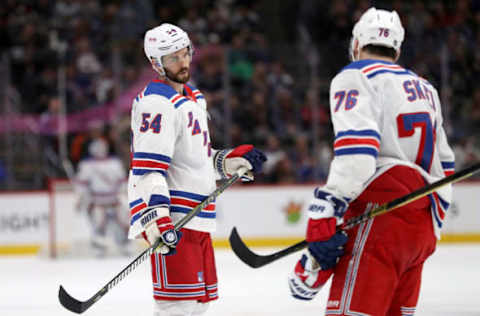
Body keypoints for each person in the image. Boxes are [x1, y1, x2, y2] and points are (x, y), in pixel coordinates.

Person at [288, 7, 455, 315]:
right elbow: (445, 166)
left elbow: (358, 153)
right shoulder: (426, 89)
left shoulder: (356, 75)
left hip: (378, 218)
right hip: (419, 230)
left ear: (356, 44)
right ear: (398, 47)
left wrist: (326, 208)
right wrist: (430, 229)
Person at [128, 23, 266, 316]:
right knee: (176, 307)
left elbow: (199, 158)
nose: (183, 62)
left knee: (195, 307)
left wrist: (230, 162)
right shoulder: (156, 103)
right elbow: (148, 169)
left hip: (198, 216)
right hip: (175, 220)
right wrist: (157, 219)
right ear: (156, 63)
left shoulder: (192, 98)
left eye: (185, 53)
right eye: (173, 58)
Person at [75, 137, 129, 256]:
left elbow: (122, 182)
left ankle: (124, 245)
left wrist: (124, 195)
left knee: (124, 223)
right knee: (98, 225)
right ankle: (99, 248)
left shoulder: (115, 163)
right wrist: (80, 199)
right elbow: (82, 185)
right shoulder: (87, 164)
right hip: (98, 202)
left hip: (115, 200)